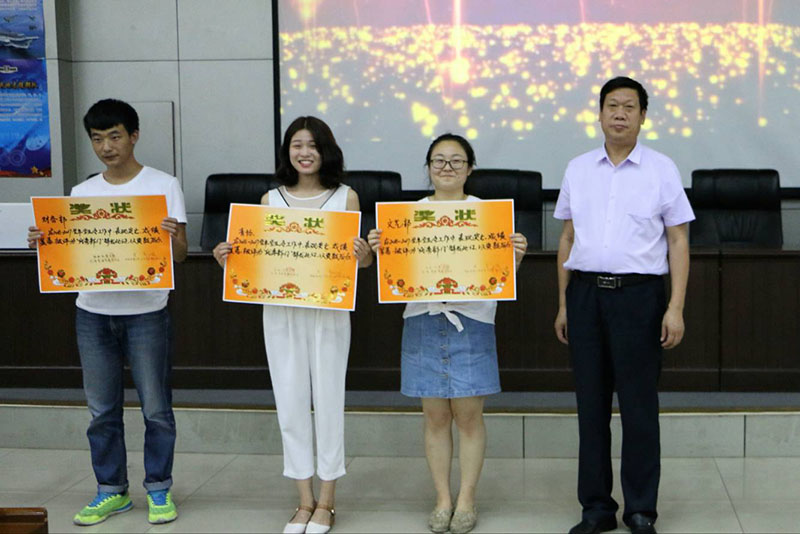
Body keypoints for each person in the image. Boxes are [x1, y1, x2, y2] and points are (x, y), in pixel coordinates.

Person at [27, 99, 188, 526]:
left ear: (134, 136)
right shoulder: (82, 193)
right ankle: (111, 490)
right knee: (101, 411)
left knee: (156, 408)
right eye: (97, 139)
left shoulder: (163, 185)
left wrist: (171, 237)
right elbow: (70, 253)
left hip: (147, 311)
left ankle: (158, 488)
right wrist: (46, 242)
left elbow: (182, 255)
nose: (106, 147)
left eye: (114, 136)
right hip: (92, 312)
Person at [213, 116, 372, 534]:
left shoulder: (346, 197)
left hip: (329, 312)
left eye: (313, 145)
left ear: (326, 151)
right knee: (290, 402)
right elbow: (255, 260)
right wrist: (229, 259)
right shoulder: (270, 199)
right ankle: (304, 500)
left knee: (329, 402)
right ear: (287, 151)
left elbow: (359, 264)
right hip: (281, 312)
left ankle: (328, 501)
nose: (305, 153)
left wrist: (364, 257)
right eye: (297, 145)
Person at [553, 77, 695, 534]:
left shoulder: (661, 169)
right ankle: (596, 508)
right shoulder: (578, 168)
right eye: (611, 105)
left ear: (642, 116)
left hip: (639, 298)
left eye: (629, 107)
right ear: (599, 114)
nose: (619, 113)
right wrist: (563, 304)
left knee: (638, 407)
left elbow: (678, 240)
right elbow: (568, 238)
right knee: (590, 407)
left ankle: (640, 509)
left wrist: (675, 307)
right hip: (585, 296)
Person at [367, 133, 527, 534]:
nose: (447, 168)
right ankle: (442, 499)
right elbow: (396, 274)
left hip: (472, 322)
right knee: (435, 417)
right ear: (428, 168)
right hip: (422, 319)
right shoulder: (407, 217)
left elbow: (499, 278)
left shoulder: (488, 216)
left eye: (457, 161)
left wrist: (514, 258)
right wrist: (383, 248)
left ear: (470, 169)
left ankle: (467, 499)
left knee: (469, 417)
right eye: (439, 160)